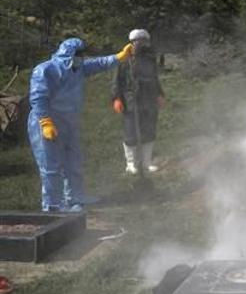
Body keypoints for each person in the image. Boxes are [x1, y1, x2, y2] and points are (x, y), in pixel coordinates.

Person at [28, 37, 133, 212]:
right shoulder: (46, 70)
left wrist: (119, 57)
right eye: (79, 54)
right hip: (47, 122)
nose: (82, 57)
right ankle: (52, 205)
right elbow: (38, 97)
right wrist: (45, 121)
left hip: (69, 121)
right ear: (68, 54)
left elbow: (100, 63)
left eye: (82, 54)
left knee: (73, 161)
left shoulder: (80, 68)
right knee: (51, 165)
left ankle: (75, 196)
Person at [111, 29, 165, 175]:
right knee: (131, 132)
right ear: (132, 42)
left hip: (149, 98)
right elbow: (117, 81)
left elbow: (154, 78)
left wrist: (160, 94)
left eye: (143, 40)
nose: (141, 43)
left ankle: (147, 163)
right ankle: (131, 164)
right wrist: (116, 98)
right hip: (130, 100)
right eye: (137, 40)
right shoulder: (124, 59)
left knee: (149, 130)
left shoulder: (150, 58)